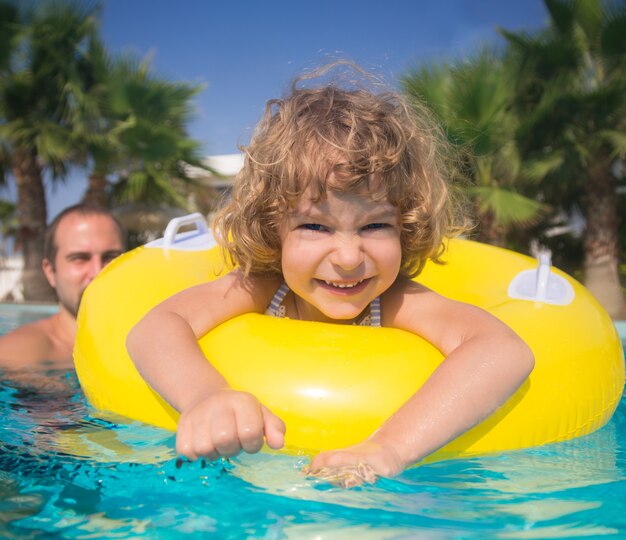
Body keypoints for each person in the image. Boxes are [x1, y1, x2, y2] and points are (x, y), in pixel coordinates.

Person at [126, 65, 534, 484]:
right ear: (274, 228)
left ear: (405, 227)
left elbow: (503, 350)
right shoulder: (265, 289)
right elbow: (155, 327)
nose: (347, 257)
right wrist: (206, 395)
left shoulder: (394, 300)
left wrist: (389, 446)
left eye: (375, 226)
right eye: (315, 226)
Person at [0, 203, 126, 369]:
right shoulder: (19, 354)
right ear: (50, 272)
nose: (98, 272)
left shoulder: (149, 336)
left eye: (111, 257)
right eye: (80, 258)